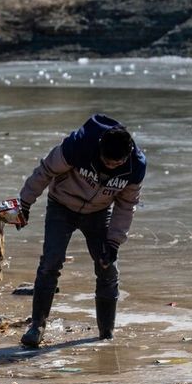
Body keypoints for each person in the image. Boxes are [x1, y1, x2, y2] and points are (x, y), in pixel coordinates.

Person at [17, 114, 146, 346]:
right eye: (106, 161)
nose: (110, 167)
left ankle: (106, 334)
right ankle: (37, 327)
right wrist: (24, 204)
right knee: (51, 263)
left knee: (107, 267)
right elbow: (46, 170)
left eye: (116, 165)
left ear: (126, 158)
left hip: (99, 213)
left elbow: (126, 205)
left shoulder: (136, 167)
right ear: (99, 149)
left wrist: (114, 243)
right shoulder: (78, 146)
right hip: (61, 206)